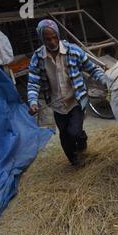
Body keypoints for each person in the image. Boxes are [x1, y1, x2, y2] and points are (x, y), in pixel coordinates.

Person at [27, 19, 108, 166]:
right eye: (47, 39)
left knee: (74, 132)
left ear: (58, 35)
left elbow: (92, 68)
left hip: (76, 101)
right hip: (57, 104)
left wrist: (105, 81)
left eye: (54, 37)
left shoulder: (74, 51)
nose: (52, 42)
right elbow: (33, 82)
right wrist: (32, 102)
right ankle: (74, 161)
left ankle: (81, 140)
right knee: (64, 135)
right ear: (41, 39)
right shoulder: (38, 58)